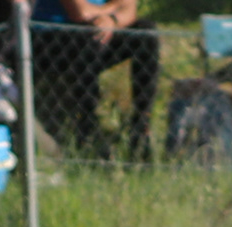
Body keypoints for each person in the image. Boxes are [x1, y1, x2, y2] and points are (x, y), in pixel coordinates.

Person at [22, 0, 154, 156]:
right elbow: (80, 12)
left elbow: (130, 10)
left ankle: (141, 127)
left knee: (146, 32)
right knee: (88, 39)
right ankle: (87, 133)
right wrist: (111, 11)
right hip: (49, 40)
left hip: (95, 32)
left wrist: (112, 20)